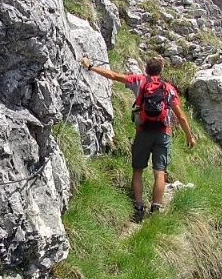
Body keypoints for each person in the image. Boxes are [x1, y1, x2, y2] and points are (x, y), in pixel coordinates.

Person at [82, 55, 196, 221]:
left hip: (142, 132)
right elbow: (181, 116)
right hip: (163, 133)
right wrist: (189, 136)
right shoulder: (168, 88)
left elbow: (113, 75)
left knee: (137, 170)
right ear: (161, 71)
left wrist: (90, 66)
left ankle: (138, 207)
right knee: (160, 172)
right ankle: (156, 210)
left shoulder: (139, 81)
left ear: (146, 69)